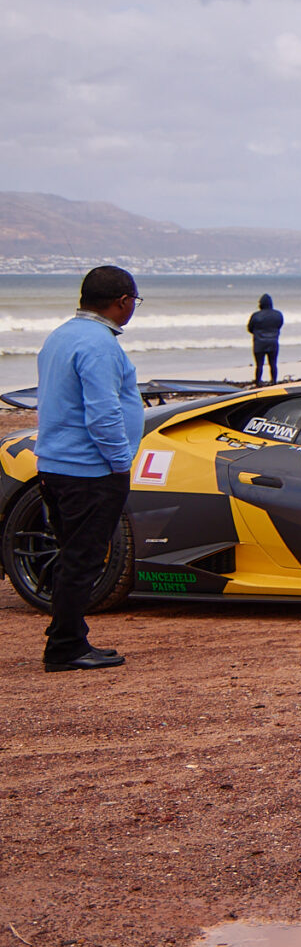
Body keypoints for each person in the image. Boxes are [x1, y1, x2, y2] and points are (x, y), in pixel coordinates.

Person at [32, 266, 143, 672]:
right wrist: (120, 462)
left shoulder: (61, 335)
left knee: (72, 555)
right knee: (84, 559)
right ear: (122, 302)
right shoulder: (99, 345)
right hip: (89, 470)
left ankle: (69, 635)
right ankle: (65, 647)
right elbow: (103, 413)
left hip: (56, 464)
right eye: (134, 301)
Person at [246, 293, 283, 385]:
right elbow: (279, 326)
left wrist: (258, 334)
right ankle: (273, 381)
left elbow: (249, 328)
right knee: (273, 364)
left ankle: (258, 382)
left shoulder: (256, 315)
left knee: (259, 365)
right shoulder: (278, 314)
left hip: (259, 343)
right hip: (273, 342)